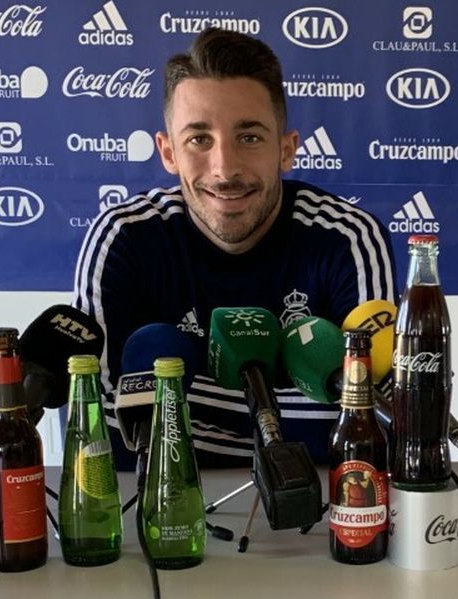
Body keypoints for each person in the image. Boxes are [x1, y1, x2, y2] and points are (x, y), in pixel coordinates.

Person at [73, 28, 395, 469]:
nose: (224, 168)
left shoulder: (348, 237)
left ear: (287, 149)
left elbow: (374, 423)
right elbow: (99, 425)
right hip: (155, 514)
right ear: (168, 153)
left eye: (249, 137)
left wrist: (172, 403)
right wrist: (294, 433)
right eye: (199, 139)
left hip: (322, 514)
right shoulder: (124, 236)